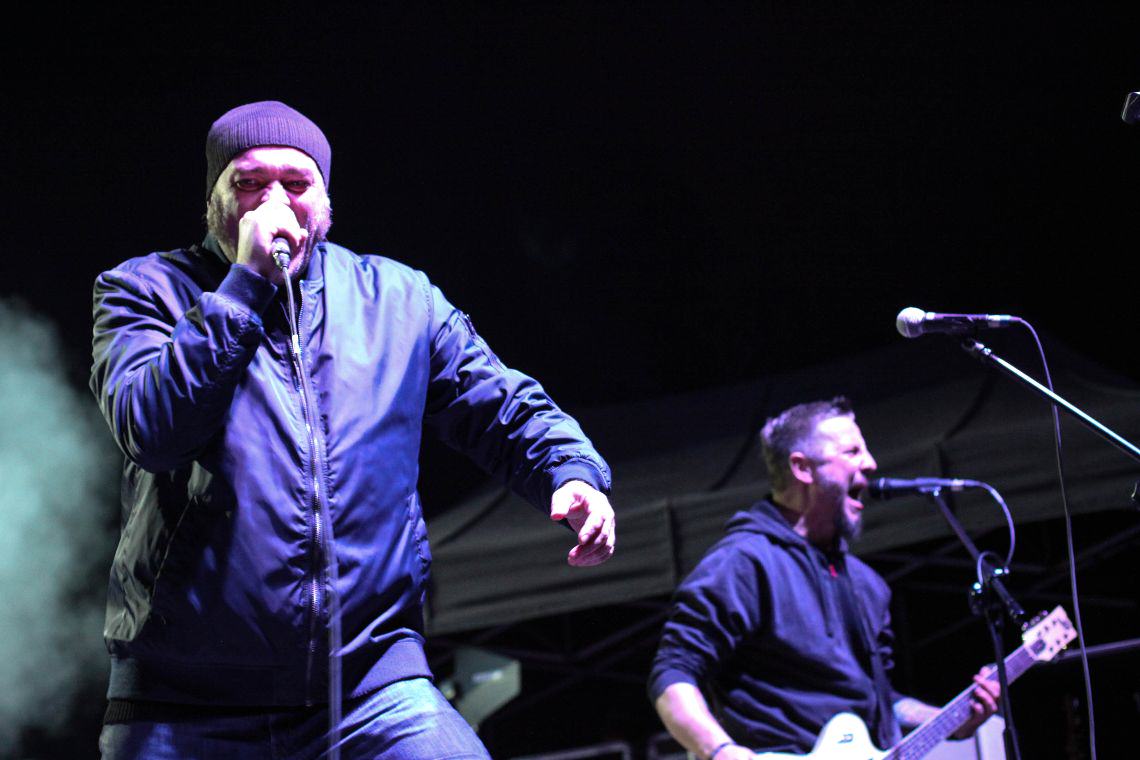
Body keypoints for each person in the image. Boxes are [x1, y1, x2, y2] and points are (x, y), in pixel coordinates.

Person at [90, 100, 616, 759]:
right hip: (185, 702)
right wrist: (246, 284)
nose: (273, 202)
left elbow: (498, 403)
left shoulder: (398, 299)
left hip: (370, 686)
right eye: (249, 182)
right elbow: (152, 428)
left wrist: (570, 472)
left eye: (296, 182)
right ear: (213, 199)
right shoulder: (145, 291)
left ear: (326, 201)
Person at [648, 398, 998, 759]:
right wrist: (720, 751)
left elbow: (882, 702)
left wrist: (952, 719)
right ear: (802, 468)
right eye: (852, 451)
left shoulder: (867, 585)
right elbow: (673, 674)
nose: (871, 463)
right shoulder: (742, 563)